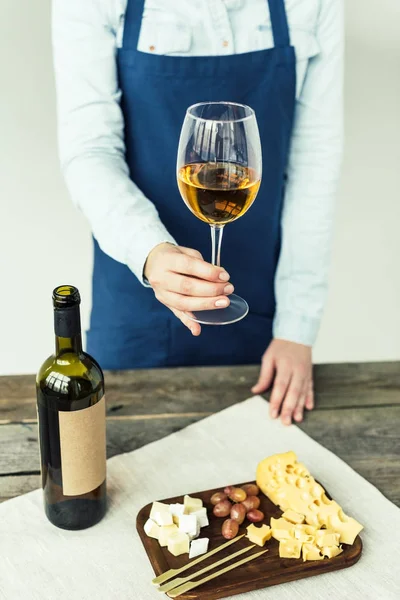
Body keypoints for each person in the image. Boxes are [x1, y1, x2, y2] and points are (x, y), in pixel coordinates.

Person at [52, 0, 343, 425]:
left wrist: (298, 326)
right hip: (137, 300)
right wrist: (150, 252)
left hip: (258, 304)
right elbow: (90, 150)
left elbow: (315, 163)